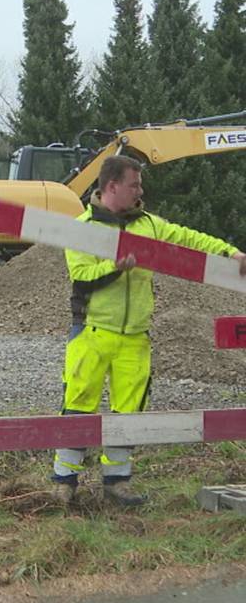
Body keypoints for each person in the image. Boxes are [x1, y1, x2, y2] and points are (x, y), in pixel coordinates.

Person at [52, 155, 246, 506]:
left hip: (136, 337)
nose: (140, 190)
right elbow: (81, 277)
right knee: (78, 406)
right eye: (134, 184)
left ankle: (117, 482)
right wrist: (116, 267)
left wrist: (228, 252)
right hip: (92, 332)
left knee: (129, 411)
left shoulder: (150, 225)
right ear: (112, 186)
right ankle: (64, 483)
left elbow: (188, 238)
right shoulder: (81, 228)